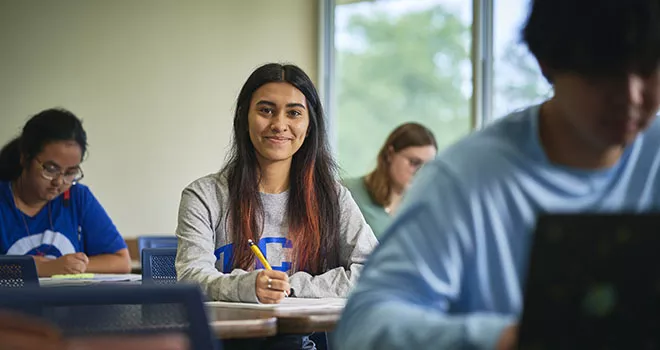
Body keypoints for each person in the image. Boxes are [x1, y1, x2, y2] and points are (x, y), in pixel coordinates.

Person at [334, 0, 660, 349]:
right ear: (547, 65)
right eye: (601, 72)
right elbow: (364, 325)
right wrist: (504, 340)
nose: (630, 96)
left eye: (648, 68)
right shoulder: (464, 179)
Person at [175, 63, 377, 347]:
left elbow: (374, 270)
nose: (279, 124)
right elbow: (190, 278)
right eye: (266, 110)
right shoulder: (204, 195)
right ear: (244, 118)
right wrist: (247, 286)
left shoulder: (333, 198)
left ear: (309, 127)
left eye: (294, 112)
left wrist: (289, 287)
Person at [0, 108, 130, 277]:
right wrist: (39, 269)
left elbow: (121, 261)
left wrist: (71, 266)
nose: (59, 182)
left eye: (70, 173)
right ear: (25, 158)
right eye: (50, 169)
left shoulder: (78, 197)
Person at [343, 123, 437, 238]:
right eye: (414, 163)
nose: (421, 172)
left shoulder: (423, 209)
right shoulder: (347, 192)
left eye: (428, 166)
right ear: (390, 154)